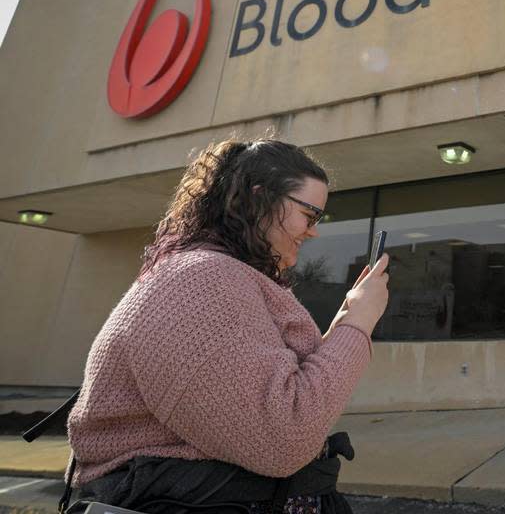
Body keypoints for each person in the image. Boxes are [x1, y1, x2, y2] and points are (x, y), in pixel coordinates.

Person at [65, 138, 391, 513]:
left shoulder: (212, 275)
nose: (313, 230)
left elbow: (272, 400)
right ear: (258, 200)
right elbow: (281, 438)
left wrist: (347, 321)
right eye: (310, 214)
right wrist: (359, 324)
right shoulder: (202, 280)